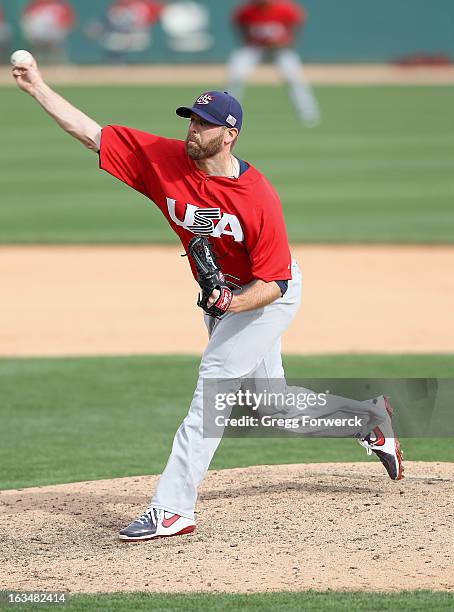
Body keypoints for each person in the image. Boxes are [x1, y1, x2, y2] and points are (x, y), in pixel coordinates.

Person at [12, 57, 403, 542]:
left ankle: (173, 509)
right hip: (227, 297)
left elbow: (275, 284)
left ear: (229, 135)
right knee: (271, 406)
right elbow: (92, 133)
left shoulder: (257, 197)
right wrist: (37, 88)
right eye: (193, 121)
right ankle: (369, 419)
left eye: (206, 125)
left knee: (214, 390)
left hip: (264, 294)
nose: (193, 131)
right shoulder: (164, 161)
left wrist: (231, 305)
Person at [227, 0, 320, 126]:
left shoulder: (284, 8)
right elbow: (237, 23)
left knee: (294, 77)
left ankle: (308, 113)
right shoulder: (246, 10)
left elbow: (297, 23)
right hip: (255, 47)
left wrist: (287, 42)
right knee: (236, 74)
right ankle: (227, 112)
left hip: (280, 49)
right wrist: (246, 40)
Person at [84, 0, 162, 64]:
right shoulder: (121, 4)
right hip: (130, 35)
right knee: (113, 41)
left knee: (116, 40)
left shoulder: (124, 5)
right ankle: (116, 64)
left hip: (138, 35)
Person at [21, 0, 75, 64]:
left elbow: (69, 21)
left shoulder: (60, 5)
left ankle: (58, 63)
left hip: (55, 36)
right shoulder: (35, 4)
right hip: (37, 36)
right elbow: (25, 21)